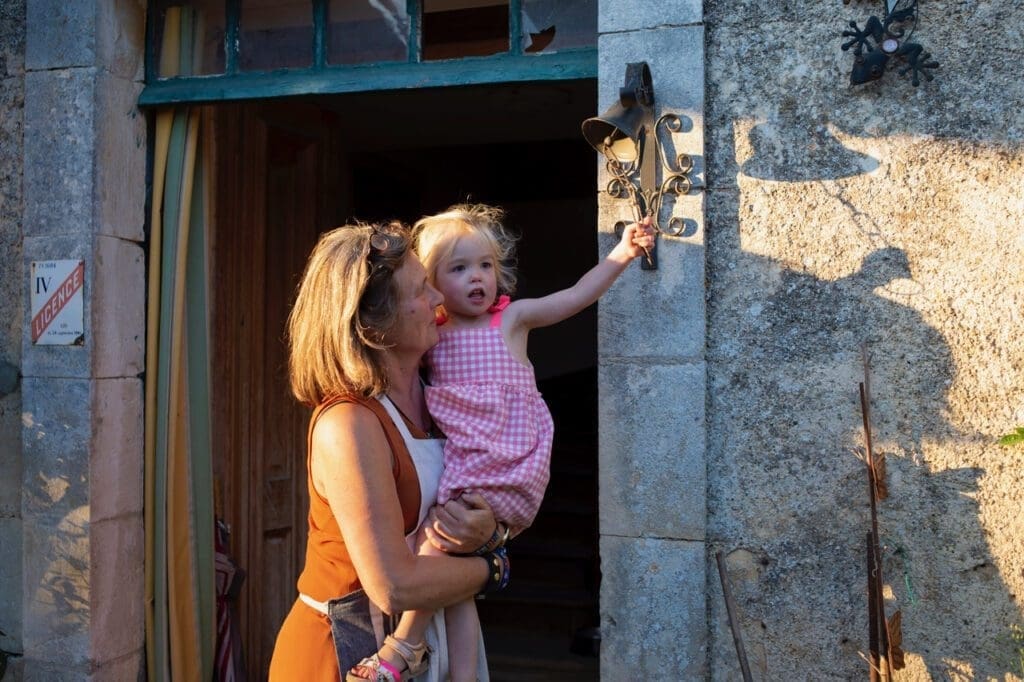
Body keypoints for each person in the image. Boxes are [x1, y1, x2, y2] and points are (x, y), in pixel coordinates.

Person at [351, 204, 655, 681]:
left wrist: (622, 253)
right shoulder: (434, 336)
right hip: (471, 466)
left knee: (435, 545)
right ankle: (465, 675)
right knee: (453, 583)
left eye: (486, 265)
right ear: (431, 283)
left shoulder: (509, 321)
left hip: (504, 464)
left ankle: (403, 645)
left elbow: (574, 297)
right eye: (458, 268)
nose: (478, 278)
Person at [269, 221, 509, 682]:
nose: (440, 299)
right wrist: (494, 566)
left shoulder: (439, 393)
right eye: (421, 290)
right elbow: (393, 585)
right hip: (347, 653)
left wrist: (491, 533)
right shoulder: (349, 423)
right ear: (374, 326)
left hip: (425, 645)